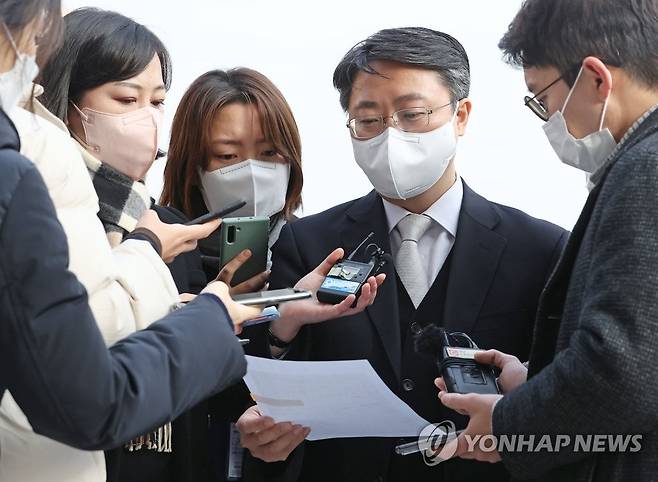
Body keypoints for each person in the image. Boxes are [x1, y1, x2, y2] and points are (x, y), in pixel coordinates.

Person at [236, 27, 568, 482]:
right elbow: (265, 375)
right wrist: (276, 351)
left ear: (461, 115)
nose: (390, 136)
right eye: (368, 120)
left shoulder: (541, 250)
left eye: (412, 113)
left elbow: (559, 397)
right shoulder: (309, 243)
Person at [0, 0, 261, 460]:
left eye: (158, 101)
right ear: (62, 93)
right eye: (126, 99)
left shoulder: (167, 226)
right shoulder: (34, 180)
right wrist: (199, 309)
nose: (147, 118)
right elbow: (85, 357)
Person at [433, 1, 658, 481]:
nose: (547, 116)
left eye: (541, 97)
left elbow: (621, 374)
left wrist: (506, 424)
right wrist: (536, 377)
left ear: (596, 79)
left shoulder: (646, 170)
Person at [160, 67, 304, 480]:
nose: (252, 172)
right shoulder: (157, 255)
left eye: (270, 153)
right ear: (194, 165)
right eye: (227, 156)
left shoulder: (313, 254)